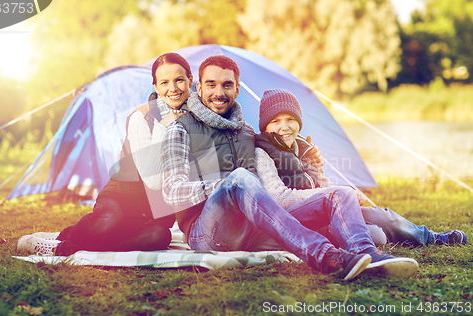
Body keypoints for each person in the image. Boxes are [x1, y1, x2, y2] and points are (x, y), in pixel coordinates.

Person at [161, 55, 418, 280]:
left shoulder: (247, 131)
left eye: (227, 84)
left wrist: (307, 159)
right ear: (199, 87)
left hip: (253, 226)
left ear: (237, 89)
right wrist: (225, 185)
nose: (219, 92)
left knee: (340, 194)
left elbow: (277, 154)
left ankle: (367, 254)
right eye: (211, 84)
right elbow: (170, 192)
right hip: (207, 233)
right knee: (239, 178)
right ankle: (325, 256)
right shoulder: (180, 129)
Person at [17, 52, 193, 256]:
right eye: (164, 82)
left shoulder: (197, 121)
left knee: (159, 237)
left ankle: (66, 236)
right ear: (156, 87)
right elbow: (153, 180)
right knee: (108, 219)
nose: (172, 88)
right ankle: (59, 246)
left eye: (179, 80)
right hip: (121, 198)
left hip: (155, 215)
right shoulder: (141, 117)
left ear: (190, 80)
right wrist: (166, 124)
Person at [254, 88, 467, 248]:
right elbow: (278, 197)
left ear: (299, 122)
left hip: (329, 208)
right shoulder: (262, 153)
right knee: (377, 237)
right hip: (299, 220)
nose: (285, 127)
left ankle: (430, 236)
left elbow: (323, 182)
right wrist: (337, 195)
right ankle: (357, 239)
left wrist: (343, 193)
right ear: (265, 126)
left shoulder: (304, 148)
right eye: (276, 121)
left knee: (384, 217)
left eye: (291, 119)